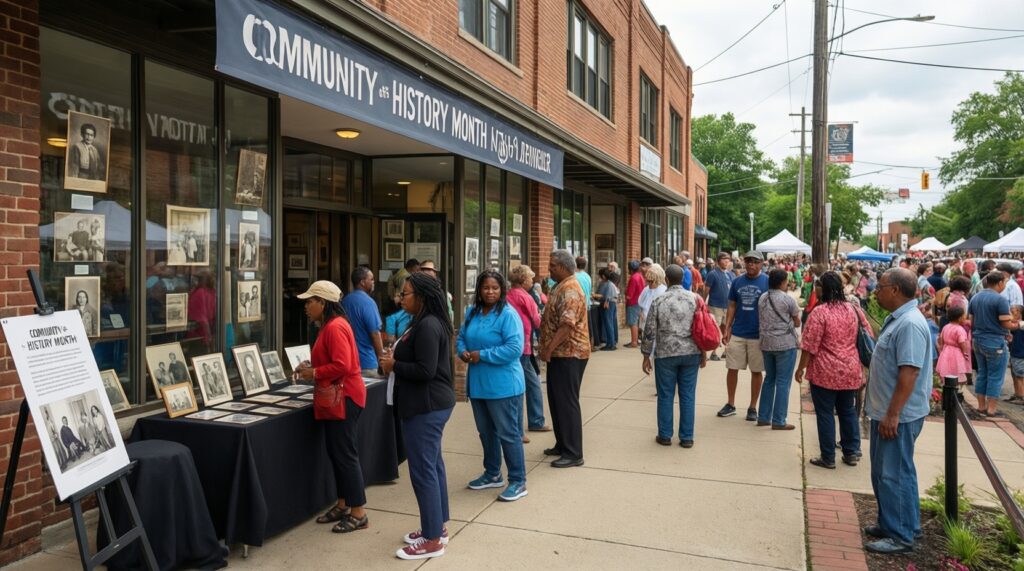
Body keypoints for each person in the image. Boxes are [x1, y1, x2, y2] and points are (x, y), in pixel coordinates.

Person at [379, 273, 456, 560]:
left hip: (426, 407)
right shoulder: (422, 322)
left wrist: (394, 364)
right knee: (433, 466)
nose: (401, 298)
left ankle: (433, 539)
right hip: (430, 405)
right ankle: (437, 526)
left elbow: (426, 370)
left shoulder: (428, 326)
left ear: (421, 297)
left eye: (406, 294)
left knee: (423, 471)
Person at [863, 268, 933, 554]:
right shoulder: (901, 320)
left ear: (895, 290)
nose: (875, 292)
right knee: (885, 473)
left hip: (898, 416)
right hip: (886, 413)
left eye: (880, 287)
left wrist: (893, 414)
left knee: (895, 474)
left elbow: (909, 373)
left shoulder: (910, 325)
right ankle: (895, 523)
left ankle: (901, 536)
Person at [294, 280, 370, 534]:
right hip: (338, 398)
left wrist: (312, 373)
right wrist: (310, 364)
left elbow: (342, 366)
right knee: (338, 454)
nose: (306, 306)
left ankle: (359, 512)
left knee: (345, 456)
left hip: (344, 398)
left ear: (322, 303)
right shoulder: (329, 325)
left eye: (310, 301)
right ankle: (343, 504)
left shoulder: (335, 327)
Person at [457, 270, 528, 502]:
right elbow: (461, 337)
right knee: (486, 432)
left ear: (502, 290)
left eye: (495, 288)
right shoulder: (472, 312)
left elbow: (514, 349)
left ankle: (518, 481)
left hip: (503, 386)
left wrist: (481, 355)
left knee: (508, 434)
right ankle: (492, 473)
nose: (490, 292)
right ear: (479, 289)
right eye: (485, 288)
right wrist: (463, 351)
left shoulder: (508, 314)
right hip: (479, 385)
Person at [796, 271, 869, 469]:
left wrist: (800, 369)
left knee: (825, 413)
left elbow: (809, 345)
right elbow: (867, 333)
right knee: (847, 411)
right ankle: (851, 451)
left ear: (823, 289)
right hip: (850, 369)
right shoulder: (853, 309)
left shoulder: (820, 312)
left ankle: (828, 457)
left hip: (824, 371)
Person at [642, 264, 705, 448]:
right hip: (690, 352)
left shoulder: (659, 301)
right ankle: (687, 437)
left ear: (666, 280)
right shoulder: (695, 299)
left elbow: (649, 330)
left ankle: (665, 435)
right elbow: (702, 328)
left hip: (666, 353)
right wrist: (703, 353)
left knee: (665, 395)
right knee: (687, 395)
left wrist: (646, 354)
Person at [539, 249, 590, 468]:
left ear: (561, 267)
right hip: (560, 354)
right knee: (556, 399)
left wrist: (549, 348)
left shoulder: (570, 288)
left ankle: (573, 452)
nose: (549, 269)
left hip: (570, 353)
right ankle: (562, 444)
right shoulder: (559, 286)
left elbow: (566, 325)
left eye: (551, 265)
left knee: (567, 402)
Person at [719, 251, 769, 421]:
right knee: (732, 368)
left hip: (758, 335)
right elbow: (732, 304)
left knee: (756, 371)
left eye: (755, 262)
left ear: (761, 263)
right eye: (748, 261)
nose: (750, 265)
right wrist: (727, 328)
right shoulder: (737, 281)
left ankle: (752, 407)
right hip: (738, 332)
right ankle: (730, 404)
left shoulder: (767, 282)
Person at [506, 264, 549, 437]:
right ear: (524, 280)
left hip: (514, 345)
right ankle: (524, 427)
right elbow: (537, 321)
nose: (532, 281)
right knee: (524, 387)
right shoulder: (526, 297)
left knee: (530, 384)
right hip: (523, 346)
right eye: (530, 278)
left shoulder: (508, 296)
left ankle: (535, 420)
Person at [756, 268, 801, 430]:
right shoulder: (787, 300)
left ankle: (763, 417)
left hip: (766, 344)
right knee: (783, 382)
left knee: (769, 379)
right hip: (785, 344)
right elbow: (797, 322)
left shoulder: (762, 298)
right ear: (782, 282)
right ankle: (779, 420)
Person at [968, 271, 1018, 417]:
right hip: (995, 342)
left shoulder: (975, 297)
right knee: (996, 376)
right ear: (1000, 283)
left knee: (982, 373)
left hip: (978, 339)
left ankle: (981, 406)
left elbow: (971, 320)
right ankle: (991, 409)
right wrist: (1018, 325)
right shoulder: (1000, 300)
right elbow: (1005, 322)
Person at [342, 267, 384, 377]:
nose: (374, 282)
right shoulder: (368, 303)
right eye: (371, 279)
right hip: (367, 363)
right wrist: (382, 361)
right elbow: (375, 333)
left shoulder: (345, 301)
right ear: (362, 282)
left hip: (348, 361)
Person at [704, 252, 734, 361]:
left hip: (728, 306)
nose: (726, 261)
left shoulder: (731, 274)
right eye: (724, 259)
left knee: (726, 329)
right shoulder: (713, 274)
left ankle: (726, 351)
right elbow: (706, 289)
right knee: (714, 329)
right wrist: (704, 303)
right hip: (715, 305)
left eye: (728, 259)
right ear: (718, 261)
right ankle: (713, 352)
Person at [936, 306, 972, 386]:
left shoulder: (946, 327)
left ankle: (948, 390)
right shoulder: (960, 329)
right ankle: (956, 392)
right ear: (959, 318)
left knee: (947, 370)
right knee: (957, 372)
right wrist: (965, 353)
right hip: (956, 353)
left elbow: (941, 340)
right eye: (964, 316)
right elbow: (962, 342)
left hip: (946, 351)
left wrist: (942, 350)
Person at [637, 263, 667, 335]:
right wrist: (641, 313)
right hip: (646, 323)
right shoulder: (646, 289)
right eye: (648, 282)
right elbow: (641, 303)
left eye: (652, 282)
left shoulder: (664, 291)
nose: (650, 284)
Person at [594, 268, 619, 351]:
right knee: (607, 324)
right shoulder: (605, 283)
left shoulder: (609, 284)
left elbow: (608, 295)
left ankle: (611, 344)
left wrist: (606, 301)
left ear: (603, 276)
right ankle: (609, 343)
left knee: (609, 324)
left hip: (608, 304)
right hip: (606, 304)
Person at [624, 260, 645, 348]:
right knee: (636, 322)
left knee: (633, 323)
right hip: (639, 302)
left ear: (631, 269)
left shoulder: (633, 278)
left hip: (633, 302)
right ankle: (635, 341)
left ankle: (634, 342)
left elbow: (629, 295)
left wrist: (626, 295)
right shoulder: (640, 276)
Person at [1007, 305, 1024, 404]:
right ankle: (1017, 393)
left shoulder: (1021, 325)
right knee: (1015, 374)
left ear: (1018, 314)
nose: (1009, 315)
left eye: (1012, 312)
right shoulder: (1014, 325)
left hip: (1020, 354)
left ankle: (1021, 397)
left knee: (1020, 376)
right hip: (1015, 353)